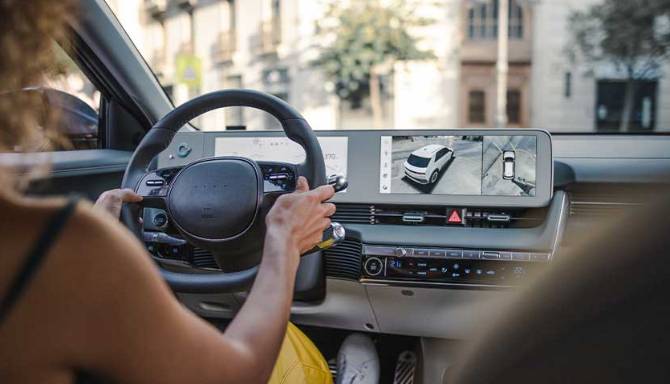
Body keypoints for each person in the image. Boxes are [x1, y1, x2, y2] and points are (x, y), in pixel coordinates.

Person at [0, 1, 378, 383]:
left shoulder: (55, 248)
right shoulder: (53, 244)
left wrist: (85, 245)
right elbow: (239, 373)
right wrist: (283, 241)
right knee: (285, 352)